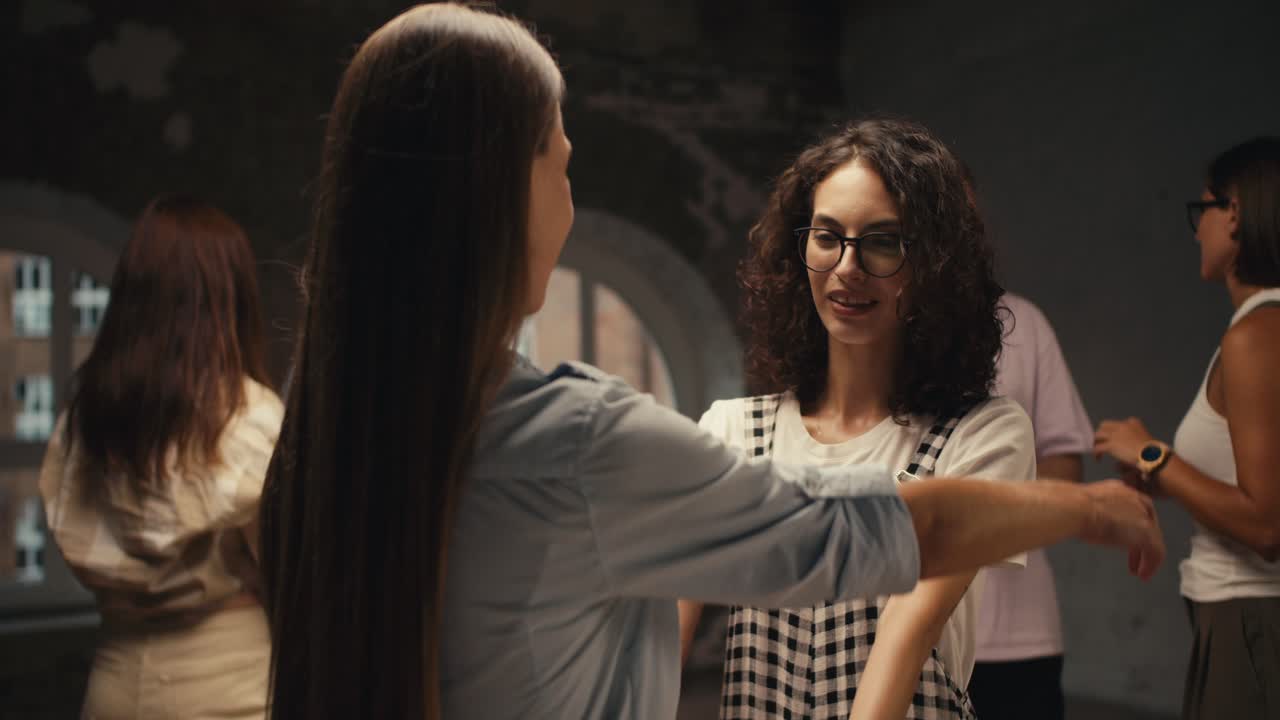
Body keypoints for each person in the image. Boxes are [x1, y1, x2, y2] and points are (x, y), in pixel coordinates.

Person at [258, 6, 1164, 720]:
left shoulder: (320, 449)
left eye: (883, 243)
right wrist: (1085, 506)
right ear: (498, 195)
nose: (849, 267)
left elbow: (897, 612)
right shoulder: (581, 441)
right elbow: (843, 535)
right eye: (562, 168)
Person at [679, 118, 1074, 719]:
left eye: (883, 241)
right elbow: (658, 637)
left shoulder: (981, 434)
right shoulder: (734, 432)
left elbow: (909, 631)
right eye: (827, 236)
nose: (848, 267)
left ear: (935, 265)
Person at [39, 194, 282, 719]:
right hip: (230, 686)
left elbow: (71, 532)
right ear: (230, 297)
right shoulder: (249, 418)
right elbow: (293, 570)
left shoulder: (85, 419)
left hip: (115, 684)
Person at [1095, 137, 1280, 720]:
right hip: (1240, 621)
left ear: (1235, 214)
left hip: (1252, 623)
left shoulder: (1257, 336)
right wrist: (1162, 476)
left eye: (1201, 211)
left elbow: (1267, 525)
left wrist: (1153, 454)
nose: (1194, 230)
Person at [967, 292, 1093, 720]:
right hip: (891, 629)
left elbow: (1065, 462)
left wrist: (989, 515)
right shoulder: (873, 319)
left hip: (1015, 636)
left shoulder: (1021, 321)